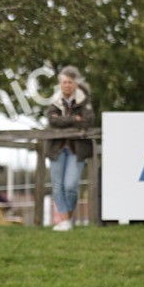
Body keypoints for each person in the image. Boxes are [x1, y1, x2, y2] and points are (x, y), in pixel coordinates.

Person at [45, 66, 93, 232]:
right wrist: (74, 119)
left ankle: (67, 220)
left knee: (71, 186)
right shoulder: (54, 100)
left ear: (75, 84)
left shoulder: (84, 100)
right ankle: (65, 221)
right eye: (64, 82)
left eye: (70, 82)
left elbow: (87, 121)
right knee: (58, 186)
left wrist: (64, 119)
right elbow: (52, 120)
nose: (67, 85)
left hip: (77, 149)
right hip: (57, 149)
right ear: (60, 83)